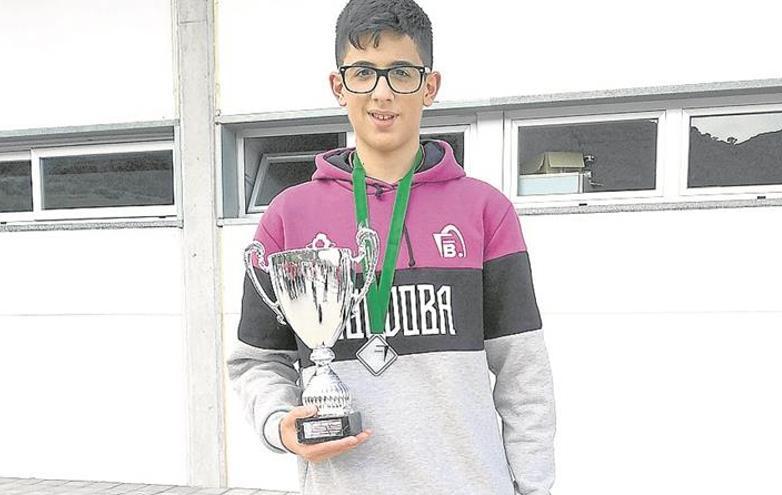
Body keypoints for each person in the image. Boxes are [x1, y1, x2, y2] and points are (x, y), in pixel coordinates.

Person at [225, 1, 556, 493]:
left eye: (401, 72)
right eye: (363, 73)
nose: (382, 93)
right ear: (339, 86)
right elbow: (257, 361)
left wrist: (532, 488)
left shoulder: (486, 211)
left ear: (430, 86)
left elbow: (522, 375)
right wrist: (279, 422)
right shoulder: (288, 216)